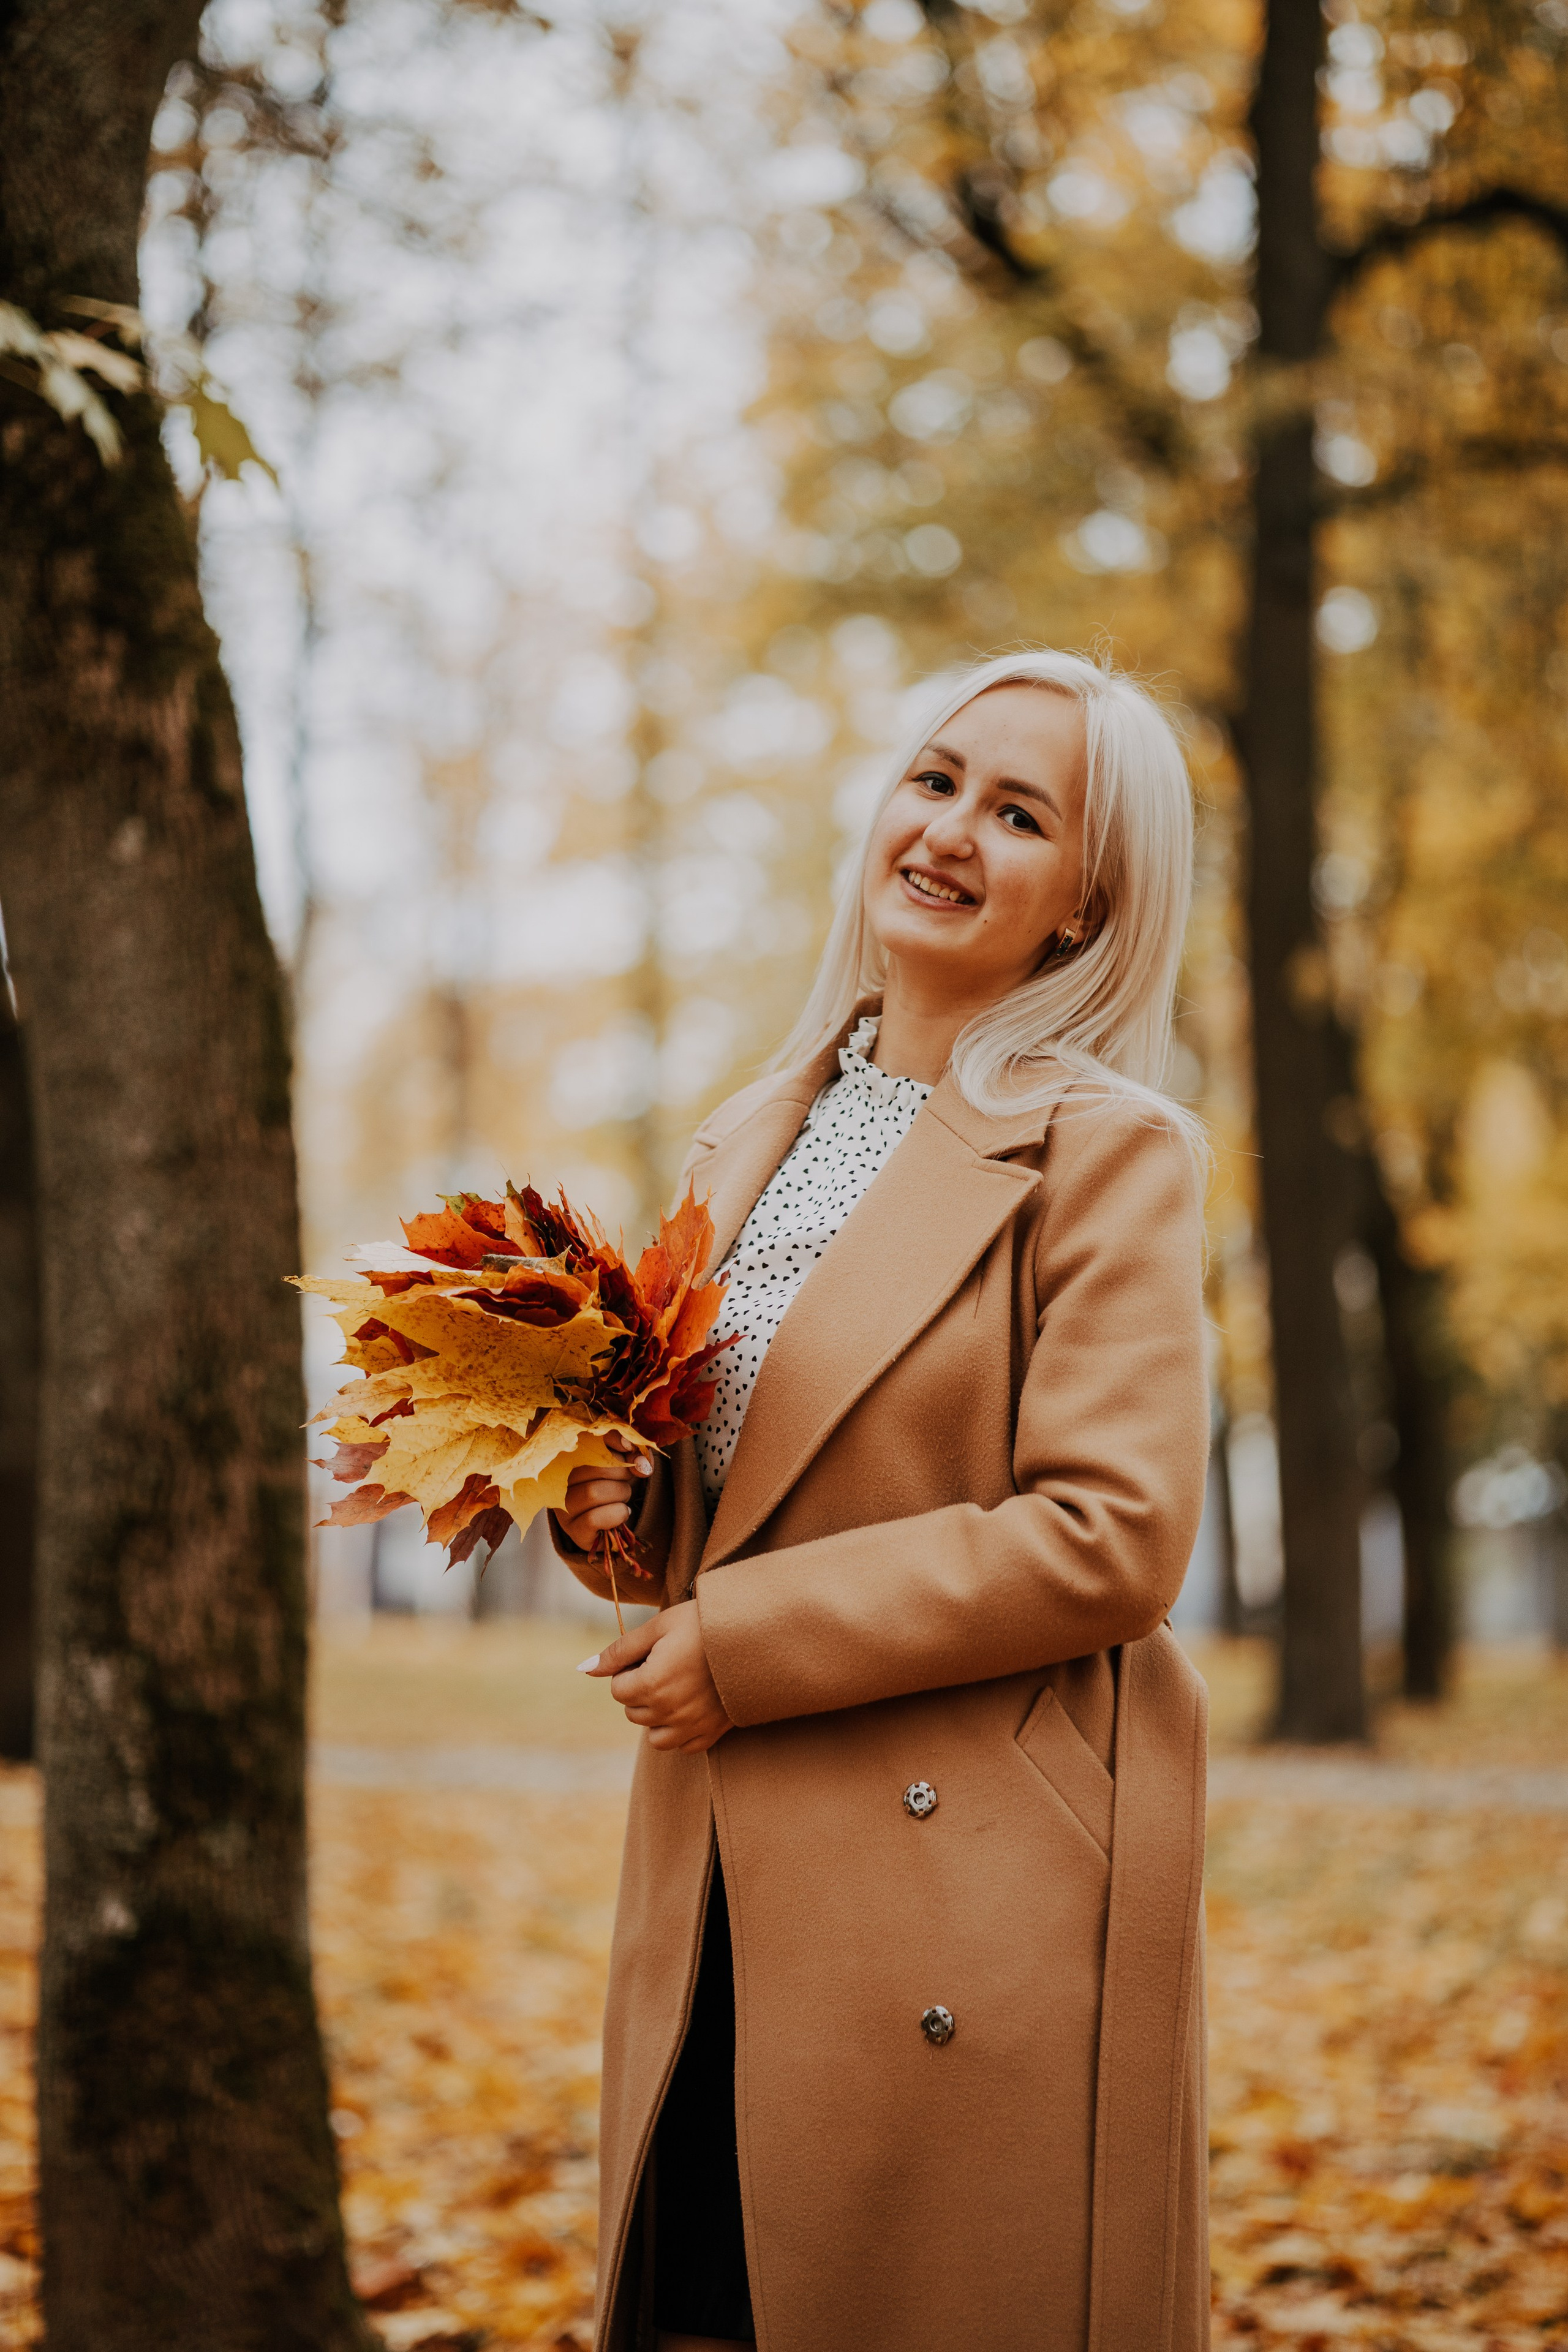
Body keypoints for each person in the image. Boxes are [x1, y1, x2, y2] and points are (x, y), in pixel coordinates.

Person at [551, 647, 1212, 2352]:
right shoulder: (743, 1133)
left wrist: (747, 1644)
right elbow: (727, 1502)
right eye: (936, 780)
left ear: (1086, 903)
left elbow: (1114, 1535)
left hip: (957, 1872)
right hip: (717, 1866)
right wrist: (606, 1505)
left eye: (1018, 815)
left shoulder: (1108, 1148)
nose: (949, 832)